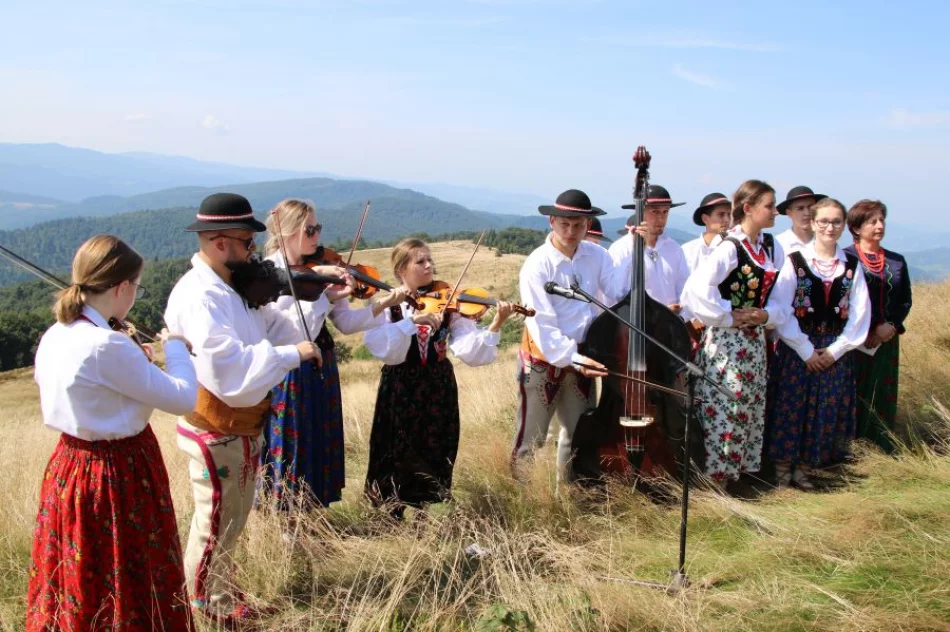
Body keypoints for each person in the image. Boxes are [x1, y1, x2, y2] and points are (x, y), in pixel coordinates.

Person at [164, 193, 330, 627]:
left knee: (233, 519)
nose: (253, 252)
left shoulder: (231, 288)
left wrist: (311, 298)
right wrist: (292, 354)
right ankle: (206, 608)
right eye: (247, 243)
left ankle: (221, 590)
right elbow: (228, 370)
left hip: (240, 424)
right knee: (214, 521)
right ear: (221, 243)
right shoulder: (202, 296)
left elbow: (269, 332)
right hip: (217, 425)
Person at [27, 235, 198, 631]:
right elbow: (183, 398)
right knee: (128, 573)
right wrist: (174, 349)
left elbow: (90, 387)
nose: (135, 296)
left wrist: (134, 364)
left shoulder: (58, 333)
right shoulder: (106, 344)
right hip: (118, 471)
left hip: (69, 466)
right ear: (122, 287)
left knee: (80, 570)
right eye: (136, 287)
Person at [259, 198, 406, 512]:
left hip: (321, 367)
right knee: (291, 443)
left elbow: (347, 323)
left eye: (318, 228)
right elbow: (292, 333)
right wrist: (324, 297)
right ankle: (282, 517)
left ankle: (313, 517)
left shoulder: (321, 271)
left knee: (317, 443)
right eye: (309, 229)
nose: (317, 237)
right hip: (288, 369)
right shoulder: (270, 273)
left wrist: (379, 305)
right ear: (285, 232)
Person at [363, 238, 515, 518]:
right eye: (420, 261)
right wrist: (412, 323)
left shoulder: (448, 302)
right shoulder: (389, 305)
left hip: (437, 384)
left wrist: (496, 323)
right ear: (401, 271)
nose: (429, 265)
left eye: (430, 259)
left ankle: (425, 513)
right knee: (395, 446)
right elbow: (381, 347)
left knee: (435, 445)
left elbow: (471, 352)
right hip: (400, 383)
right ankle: (389, 513)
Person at [511, 189, 630, 482]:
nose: (571, 231)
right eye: (565, 223)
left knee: (578, 435)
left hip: (583, 355)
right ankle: (521, 499)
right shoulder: (537, 265)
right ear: (551, 221)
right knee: (532, 437)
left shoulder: (598, 255)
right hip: (542, 358)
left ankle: (569, 495)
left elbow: (617, 293)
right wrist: (574, 358)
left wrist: (634, 247)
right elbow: (543, 325)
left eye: (579, 224)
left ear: (588, 225)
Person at [680, 180, 786, 487]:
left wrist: (765, 316)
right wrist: (727, 315)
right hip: (727, 344)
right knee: (725, 407)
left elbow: (779, 297)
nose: (775, 211)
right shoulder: (730, 247)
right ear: (749, 209)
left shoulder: (767, 246)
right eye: (769, 205)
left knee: (745, 407)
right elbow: (695, 292)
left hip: (752, 343)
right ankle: (714, 485)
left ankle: (731, 481)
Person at [767, 198, 871, 488]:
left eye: (836, 222)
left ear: (843, 227)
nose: (830, 227)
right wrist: (804, 349)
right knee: (791, 407)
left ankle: (805, 467)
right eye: (823, 221)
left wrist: (836, 350)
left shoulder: (851, 265)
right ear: (813, 223)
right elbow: (781, 308)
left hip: (834, 350)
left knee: (823, 410)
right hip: (797, 346)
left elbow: (860, 312)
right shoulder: (795, 261)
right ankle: (782, 470)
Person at [844, 199, 912, 453]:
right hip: (853, 341)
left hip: (886, 340)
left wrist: (890, 327)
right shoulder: (846, 259)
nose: (879, 225)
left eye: (881, 220)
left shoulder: (897, 261)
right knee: (854, 393)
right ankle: (850, 450)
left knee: (882, 394)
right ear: (857, 227)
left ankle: (881, 449)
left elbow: (905, 300)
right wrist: (867, 331)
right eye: (872, 221)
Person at [609, 184, 691, 318]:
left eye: (665, 212)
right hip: (634, 327)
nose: (661, 218)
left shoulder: (674, 248)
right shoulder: (621, 249)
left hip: (670, 327)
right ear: (640, 212)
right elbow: (615, 294)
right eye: (655, 212)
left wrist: (681, 313)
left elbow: (684, 289)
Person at [682, 192, 732, 273]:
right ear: (705, 219)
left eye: (729, 215)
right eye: (721, 214)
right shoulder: (687, 252)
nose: (727, 220)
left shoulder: (734, 249)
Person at [776, 185, 826, 256]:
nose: (807, 213)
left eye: (810, 207)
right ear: (789, 213)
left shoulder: (826, 241)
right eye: (800, 208)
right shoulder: (778, 245)